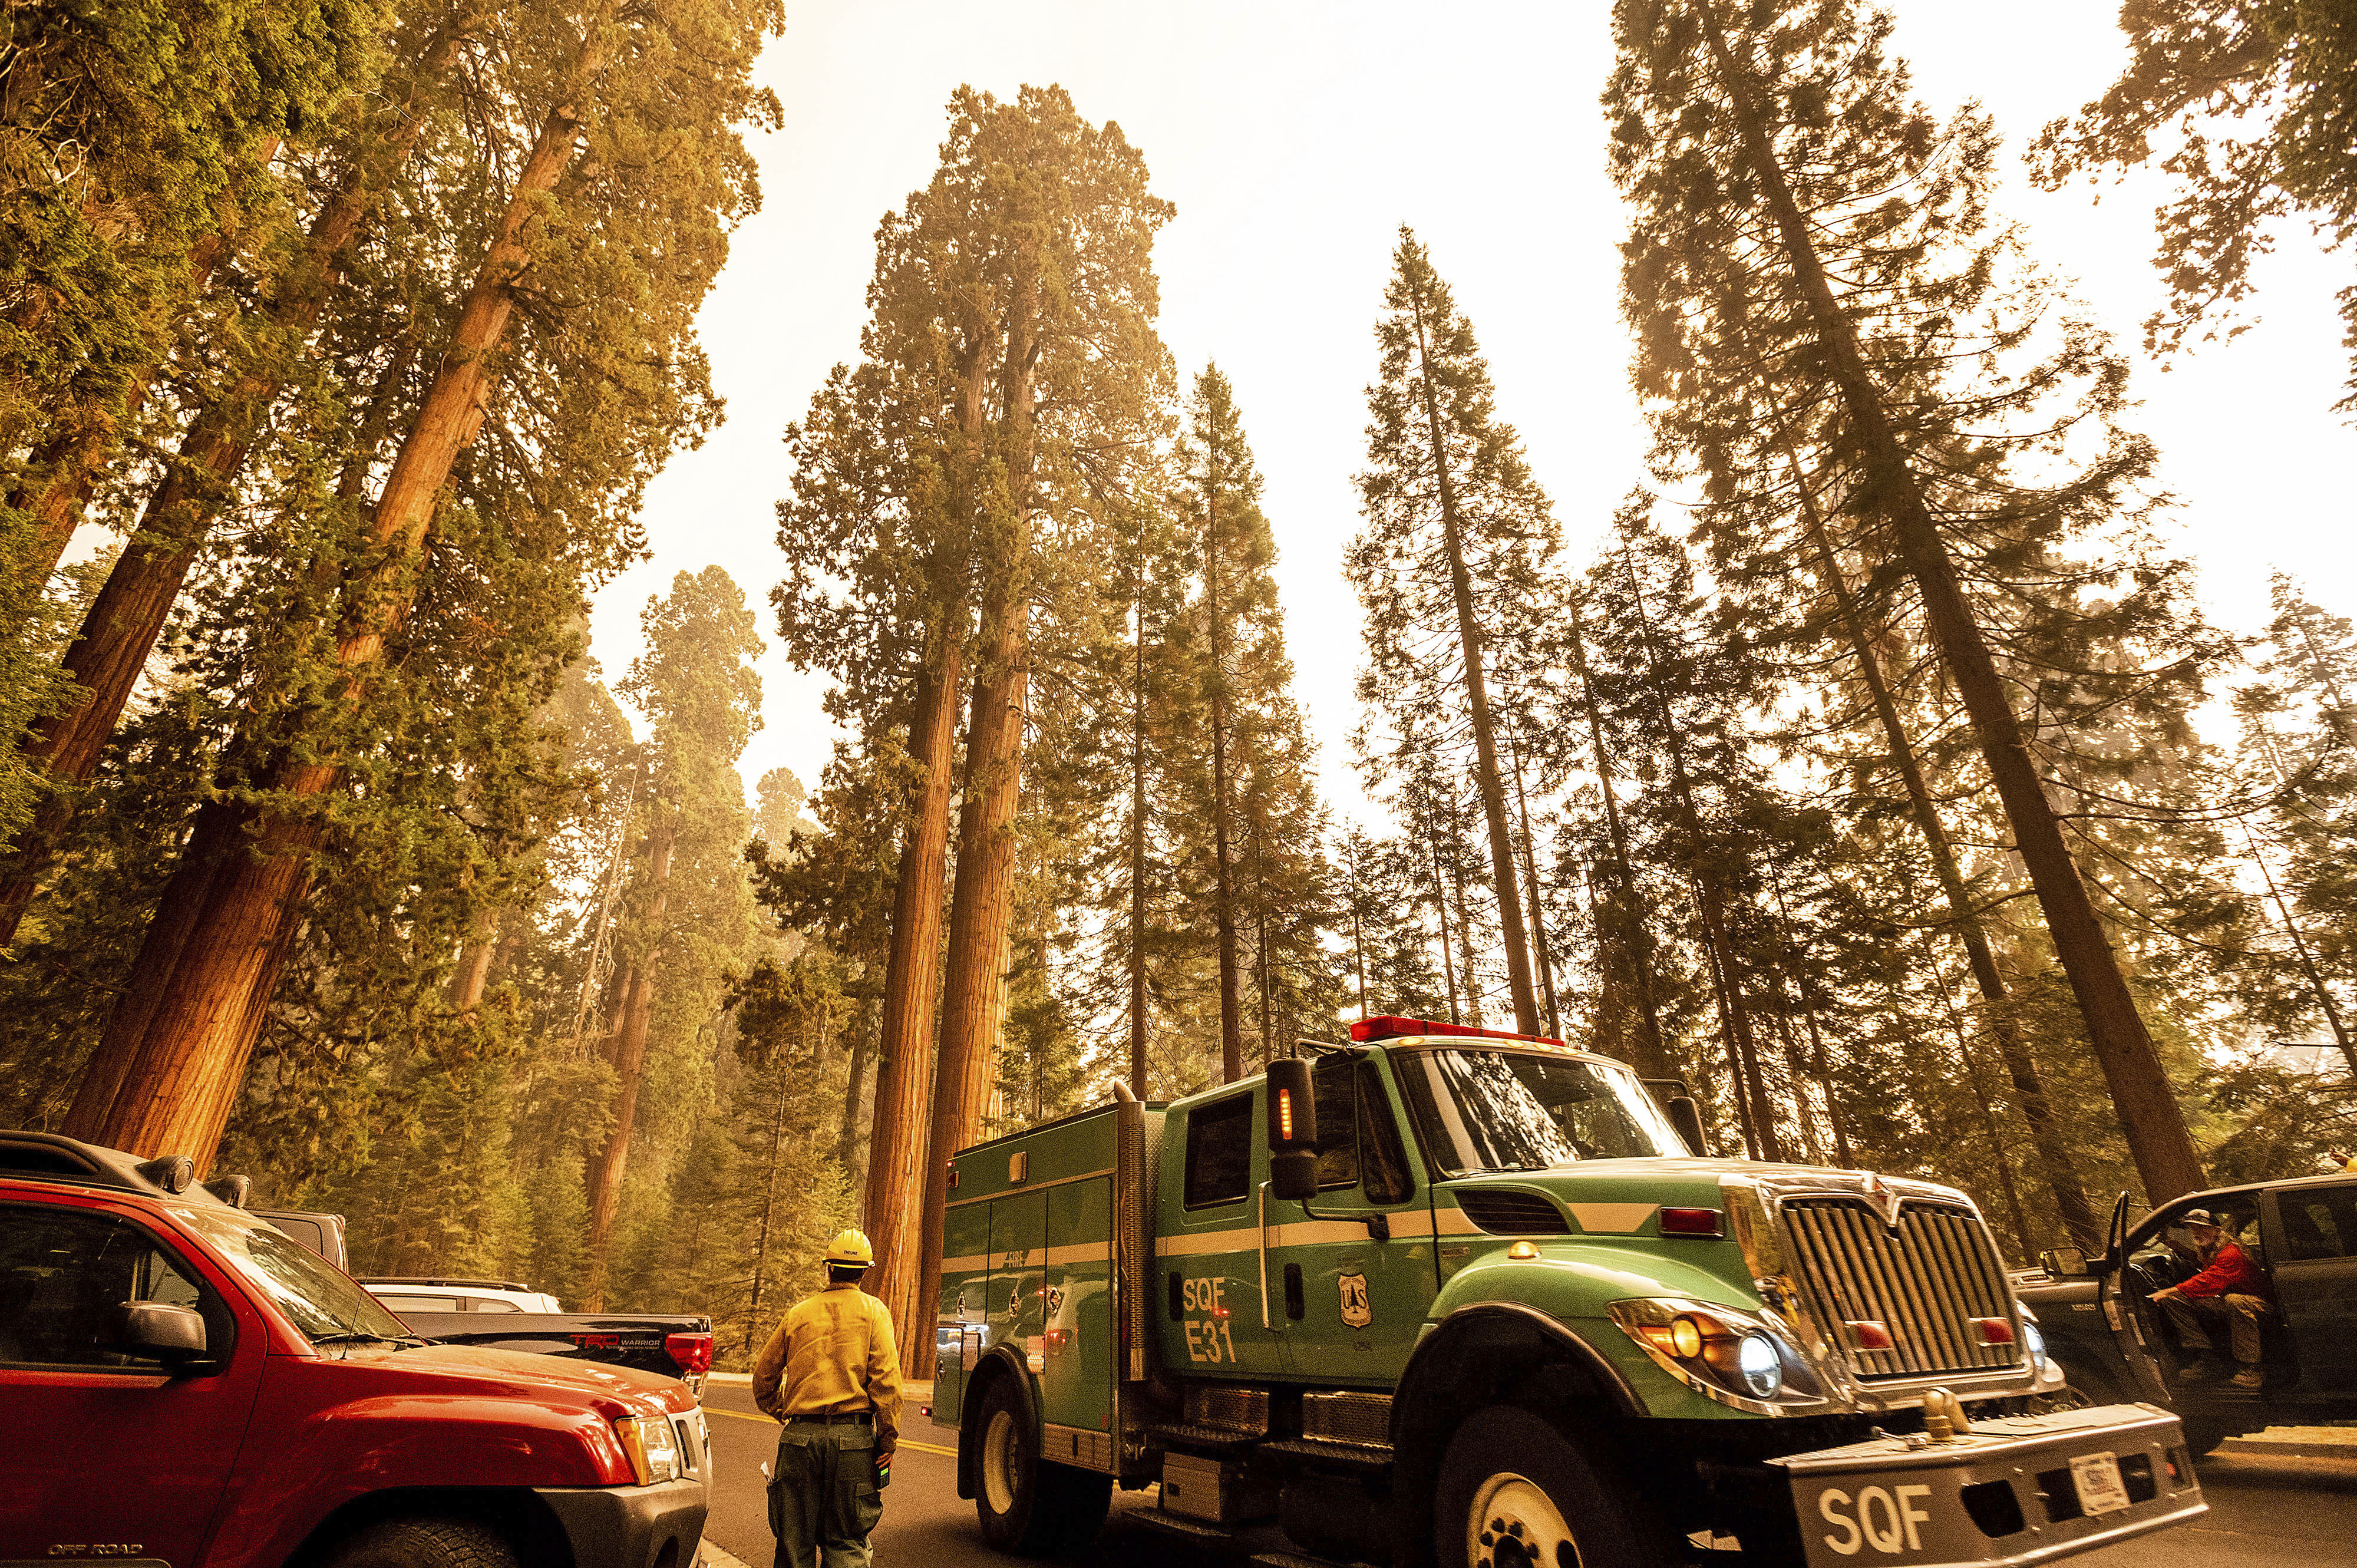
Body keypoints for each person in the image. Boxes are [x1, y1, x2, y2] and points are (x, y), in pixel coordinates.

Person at [752, 1228, 904, 1568]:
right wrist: (886, 1442)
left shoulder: (799, 1314)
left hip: (799, 1442)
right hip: (854, 1444)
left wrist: (787, 1414)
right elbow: (888, 1385)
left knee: (793, 1547)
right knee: (847, 1545)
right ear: (864, 1272)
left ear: (829, 1268)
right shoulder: (874, 1312)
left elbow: (763, 1380)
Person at [2150, 1209, 2271, 1390]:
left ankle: (2251, 1370)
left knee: (2234, 1300)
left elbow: (2210, 1279)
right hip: (2234, 1301)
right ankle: (2207, 1359)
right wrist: (2173, 1244)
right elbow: (2202, 1265)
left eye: (2203, 1228)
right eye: (2193, 1229)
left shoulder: (2230, 1253)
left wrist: (2170, 1290)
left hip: (2261, 1304)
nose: (2197, 1232)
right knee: (2175, 1301)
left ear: (2216, 1230)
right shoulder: (2212, 1249)